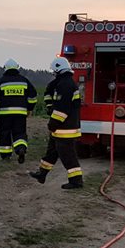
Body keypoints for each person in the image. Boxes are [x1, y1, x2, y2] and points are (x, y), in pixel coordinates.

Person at [29, 56, 83, 189]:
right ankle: (42, 174)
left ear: (59, 70)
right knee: (52, 152)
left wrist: (52, 123)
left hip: (66, 129)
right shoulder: (64, 83)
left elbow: (62, 109)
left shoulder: (65, 85)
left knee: (68, 156)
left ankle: (76, 181)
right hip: (61, 128)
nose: (53, 74)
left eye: (54, 71)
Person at [0, 59, 37, 164]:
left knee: (5, 133)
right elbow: (33, 96)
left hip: (5, 114)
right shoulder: (24, 81)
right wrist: (30, 108)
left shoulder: (1, 81)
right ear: (17, 68)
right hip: (20, 114)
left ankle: (6, 156)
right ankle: (20, 149)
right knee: (19, 133)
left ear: (5, 69)